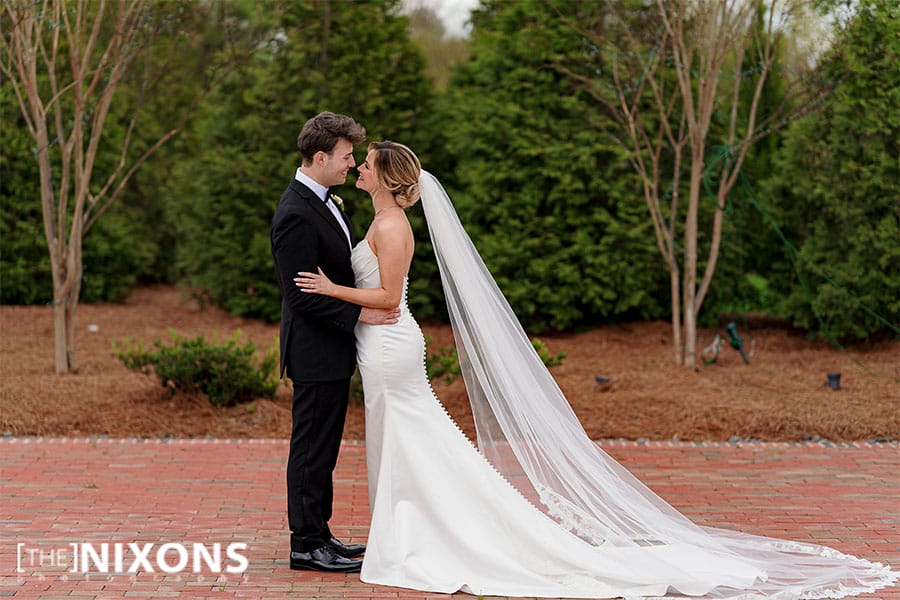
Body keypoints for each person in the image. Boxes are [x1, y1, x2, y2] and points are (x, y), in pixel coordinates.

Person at [295, 142, 897, 597]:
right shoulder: (376, 219)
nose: (359, 168)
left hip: (392, 348)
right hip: (377, 349)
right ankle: (410, 530)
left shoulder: (394, 227)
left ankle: (430, 535)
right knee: (402, 441)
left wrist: (332, 290)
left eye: (367, 163)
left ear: (391, 180)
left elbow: (391, 301)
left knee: (413, 437)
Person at [270, 113, 400, 574]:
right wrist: (361, 313)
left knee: (323, 449)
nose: (351, 164)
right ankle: (305, 544)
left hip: (332, 349)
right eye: (346, 157)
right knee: (310, 449)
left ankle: (320, 534)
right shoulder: (294, 213)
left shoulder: (326, 201)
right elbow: (300, 295)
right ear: (320, 157)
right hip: (314, 350)